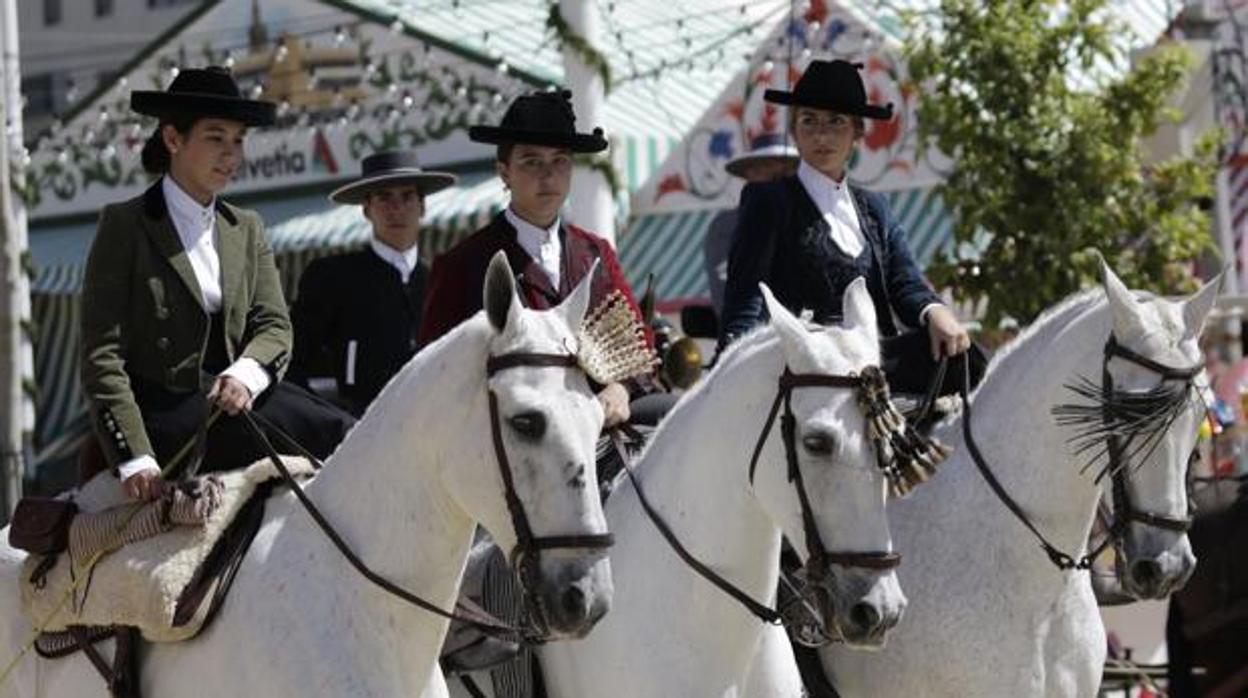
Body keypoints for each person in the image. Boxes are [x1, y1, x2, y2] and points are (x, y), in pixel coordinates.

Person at [80, 66, 354, 502]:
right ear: (173, 140)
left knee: (343, 431)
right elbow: (102, 356)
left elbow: (274, 325)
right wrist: (134, 455)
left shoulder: (245, 227)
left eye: (238, 140)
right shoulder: (125, 225)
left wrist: (244, 375)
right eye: (215, 137)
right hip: (163, 415)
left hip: (239, 398)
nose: (231, 155)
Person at [718, 59, 984, 395]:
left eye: (836, 122)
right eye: (809, 121)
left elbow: (906, 282)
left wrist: (936, 312)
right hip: (811, 371)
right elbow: (747, 300)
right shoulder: (768, 200)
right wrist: (730, 369)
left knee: (966, 360)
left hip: (875, 363)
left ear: (857, 132)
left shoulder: (875, 208)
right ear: (795, 132)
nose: (822, 135)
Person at [418, 89, 654, 426]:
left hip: (601, 424)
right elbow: (435, 371)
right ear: (504, 173)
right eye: (532, 162)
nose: (548, 175)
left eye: (560, 160)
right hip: (513, 441)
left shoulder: (595, 253)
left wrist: (621, 389)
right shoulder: (463, 265)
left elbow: (637, 340)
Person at [288, 151, 457, 416]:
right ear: (367, 209)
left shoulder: (442, 281)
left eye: (407, 196)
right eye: (384, 197)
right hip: (360, 429)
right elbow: (292, 359)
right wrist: (325, 419)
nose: (396, 208)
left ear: (422, 207)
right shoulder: (334, 277)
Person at [704, 132, 800, 317]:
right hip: (758, 331)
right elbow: (729, 292)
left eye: (788, 171)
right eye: (769, 170)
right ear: (750, 174)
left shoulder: (809, 219)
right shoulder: (727, 226)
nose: (781, 179)